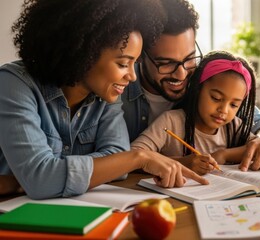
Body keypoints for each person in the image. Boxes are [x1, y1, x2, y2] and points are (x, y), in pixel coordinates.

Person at [0, 0, 208, 199]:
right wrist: (139, 158)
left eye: (134, 63)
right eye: (123, 64)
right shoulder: (13, 85)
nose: (132, 76)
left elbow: (117, 159)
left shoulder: (105, 95)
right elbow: (42, 180)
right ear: (84, 53)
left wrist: (28, 179)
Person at [122, 0, 260, 172]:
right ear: (140, 55)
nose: (181, 75)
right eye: (165, 63)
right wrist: (183, 162)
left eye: (189, 58)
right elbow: (128, 158)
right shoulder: (117, 90)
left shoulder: (201, 80)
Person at [131, 51, 257, 175]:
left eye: (234, 105)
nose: (224, 110)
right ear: (198, 89)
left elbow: (257, 148)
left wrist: (223, 155)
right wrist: (183, 163)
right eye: (216, 98)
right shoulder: (171, 122)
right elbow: (132, 156)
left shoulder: (234, 126)